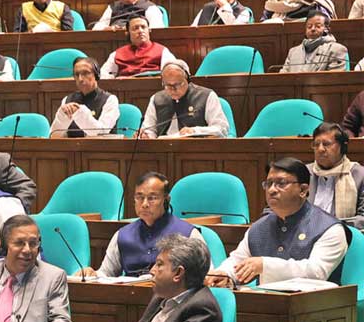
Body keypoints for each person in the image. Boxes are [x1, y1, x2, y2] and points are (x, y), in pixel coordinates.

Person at [206, 157, 349, 287]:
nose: (272, 190)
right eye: (269, 184)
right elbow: (238, 260)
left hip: (317, 308)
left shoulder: (329, 228)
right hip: (267, 306)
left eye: (281, 183)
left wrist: (265, 265)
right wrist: (225, 274)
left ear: (303, 190)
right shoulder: (259, 228)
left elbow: (316, 272)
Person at [105, 235, 221, 322]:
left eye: (159, 264)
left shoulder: (202, 307)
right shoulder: (161, 296)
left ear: (178, 273)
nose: (151, 271)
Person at [81, 172, 204, 278]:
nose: (144, 204)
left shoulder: (188, 234)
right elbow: (106, 273)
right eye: (139, 197)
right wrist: (93, 274)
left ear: (166, 200)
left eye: (152, 198)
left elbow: (206, 275)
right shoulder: (122, 235)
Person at [139, 60, 229, 139]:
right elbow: (149, 129)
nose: (173, 89)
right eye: (168, 85)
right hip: (163, 151)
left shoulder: (207, 95)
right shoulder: (156, 99)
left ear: (188, 80)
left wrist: (194, 131)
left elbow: (222, 128)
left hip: (195, 151)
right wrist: (146, 135)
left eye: (177, 84)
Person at [305, 123, 364, 229]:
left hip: (346, 236)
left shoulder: (360, 175)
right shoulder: (303, 172)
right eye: (316, 144)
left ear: (342, 147)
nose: (320, 149)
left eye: (326, 144)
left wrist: (333, 227)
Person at [50, 57, 120, 138]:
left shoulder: (110, 100)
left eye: (85, 73)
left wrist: (80, 112)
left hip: (102, 149)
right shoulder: (67, 100)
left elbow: (101, 133)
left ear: (96, 75)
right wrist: (62, 115)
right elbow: (54, 135)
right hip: (71, 149)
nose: (80, 79)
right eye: (76, 74)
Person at [101, 16, 176, 79]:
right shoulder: (117, 54)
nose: (140, 31)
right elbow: (103, 75)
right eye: (135, 28)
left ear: (149, 30)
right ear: (127, 33)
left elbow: (172, 73)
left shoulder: (162, 51)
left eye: (143, 27)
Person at [279, 11, 347, 73]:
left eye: (318, 26)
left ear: (327, 29)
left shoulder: (337, 49)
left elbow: (335, 79)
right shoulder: (293, 52)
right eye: (309, 26)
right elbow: (283, 77)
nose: (313, 29)